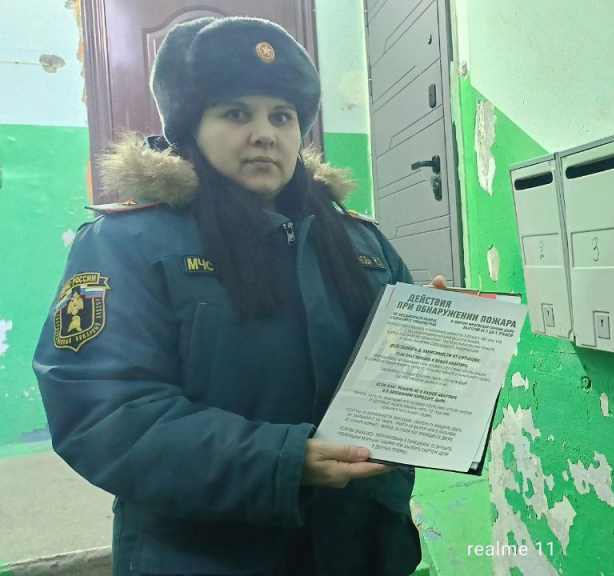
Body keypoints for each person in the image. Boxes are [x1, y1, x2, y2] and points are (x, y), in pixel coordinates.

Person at [32, 16, 433, 576]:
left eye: (282, 116)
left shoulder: (360, 243)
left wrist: (437, 338)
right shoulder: (127, 243)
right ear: (190, 127)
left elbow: (401, 390)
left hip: (358, 549)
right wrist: (283, 462)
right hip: (204, 557)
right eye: (237, 113)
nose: (265, 134)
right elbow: (104, 415)